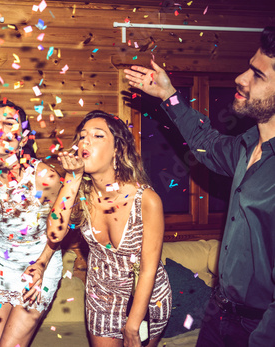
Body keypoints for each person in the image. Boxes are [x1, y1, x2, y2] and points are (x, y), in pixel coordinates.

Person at [124, 26, 275, 347]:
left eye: (257, 75)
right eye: (249, 67)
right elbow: (206, 143)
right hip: (219, 314)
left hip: (258, 327)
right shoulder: (246, 147)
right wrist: (169, 95)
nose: (242, 78)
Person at [48, 110, 172, 347]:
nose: (85, 141)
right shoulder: (79, 195)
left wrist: (133, 324)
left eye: (97, 136)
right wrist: (72, 178)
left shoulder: (146, 199)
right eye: (82, 136)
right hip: (101, 296)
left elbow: (148, 268)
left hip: (146, 298)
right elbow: (55, 234)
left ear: (118, 150)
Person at [0, 100, 63, 347]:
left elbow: (60, 229)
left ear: (24, 138)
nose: (0, 130)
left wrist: (41, 264)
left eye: (8, 123)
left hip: (39, 266)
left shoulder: (44, 177)